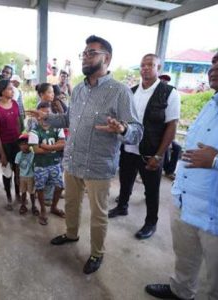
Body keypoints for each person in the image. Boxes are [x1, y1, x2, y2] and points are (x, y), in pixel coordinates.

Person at [145, 33, 218, 300]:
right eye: (215, 59)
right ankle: (180, 291)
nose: (216, 65)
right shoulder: (211, 104)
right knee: (185, 262)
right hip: (186, 206)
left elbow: (210, 157)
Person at [28, 35, 142, 275]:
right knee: (70, 203)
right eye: (84, 53)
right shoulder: (79, 89)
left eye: (92, 53)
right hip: (72, 160)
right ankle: (71, 234)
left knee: (98, 214)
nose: (86, 57)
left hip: (99, 165)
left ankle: (97, 253)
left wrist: (122, 129)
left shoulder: (120, 92)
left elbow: (137, 132)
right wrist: (46, 118)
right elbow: (69, 119)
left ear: (106, 58)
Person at [108, 53, 181, 239]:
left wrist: (159, 155)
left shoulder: (169, 93)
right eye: (142, 65)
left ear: (159, 68)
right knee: (125, 180)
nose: (146, 68)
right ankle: (122, 206)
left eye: (151, 64)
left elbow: (172, 125)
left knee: (151, 189)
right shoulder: (130, 92)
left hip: (151, 150)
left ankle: (151, 223)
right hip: (129, 147)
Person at [29, 102, 65, 226]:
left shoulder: (57, 128)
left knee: (60, 186)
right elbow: (36, 150)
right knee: (40, 188)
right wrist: (54, 147)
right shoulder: (34, 132)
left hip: (55, 163)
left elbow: (63, 144)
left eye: (47, 114)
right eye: (42, 114)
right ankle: (43, 210)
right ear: (37, 116)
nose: (44, 117)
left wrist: (45, 146)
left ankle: (54, 207)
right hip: (40, 165)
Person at [0, 79, 22, 210]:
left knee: (18, 171)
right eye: (9, 88)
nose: (12, 90)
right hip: (4, 145)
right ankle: (9, 197)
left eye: (12, 88)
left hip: (16, 143)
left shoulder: (14, 103)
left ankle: (18, 195)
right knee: (7, 172)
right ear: (2, 92)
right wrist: (2, 154)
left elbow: (18, 124)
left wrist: (21, 141)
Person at [14, 133, 38, 216]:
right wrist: (17, 178)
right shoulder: (18, 155)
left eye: (26, 144)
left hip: (31, 177)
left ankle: (34, 206)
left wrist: (36, 177)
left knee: (32, 193)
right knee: (23, 193)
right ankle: (23, 205)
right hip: (22, 177)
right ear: (19, 146)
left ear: (29, 145)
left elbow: (36, 166)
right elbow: (16, 167)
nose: (23, 146)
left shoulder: (33, 154)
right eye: (21, 144)